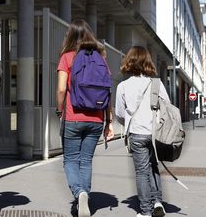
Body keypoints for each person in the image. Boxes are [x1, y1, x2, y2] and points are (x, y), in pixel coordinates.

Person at [56, 19, 114, 217]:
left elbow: (62, 88)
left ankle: (80, 193)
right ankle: (85, 197)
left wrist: (59, 109)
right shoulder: (101, 57)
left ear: (70, 35)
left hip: (73, 117)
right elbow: (108, 91)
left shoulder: (67, 57)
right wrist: (109, 122)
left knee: (70, 160)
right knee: (86, 161)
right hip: (96, 119)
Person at [115, 46, 167, 217]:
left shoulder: (123, 86)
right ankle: (158, 202)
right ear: (147, 62)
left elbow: (120, 114)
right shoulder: (157, 84)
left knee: (141, 172)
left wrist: (128, 122)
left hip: (136, 133)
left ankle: (145, 211)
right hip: (155, 133)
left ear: (129, 62)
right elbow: (167, 107)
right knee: (154, 167)